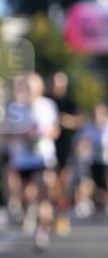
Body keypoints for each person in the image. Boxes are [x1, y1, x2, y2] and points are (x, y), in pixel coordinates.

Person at [2, 73, 60, 251]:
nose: (28, 90)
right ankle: (29, 213)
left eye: (31, 86)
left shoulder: (47, 105)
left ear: (39, 88)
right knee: (27, 196)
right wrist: (21, 134)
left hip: (43, 157)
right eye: (25, 86)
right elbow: (4, 133)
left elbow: (55, 130)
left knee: (44, 192)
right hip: (22, 160)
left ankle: (42, 231)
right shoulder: (14, 108)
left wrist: (44, 133)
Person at [47, 71, 83, 236]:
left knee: (63, 185)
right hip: (46, 151)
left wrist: (67, 121)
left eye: (60, 83)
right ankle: (48, 214)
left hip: (64, 150)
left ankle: (61, 215)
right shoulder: (46, 102)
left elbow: (80, 120)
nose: (57, 86)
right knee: (48, 184)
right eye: (55, 82)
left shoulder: (70, 103)